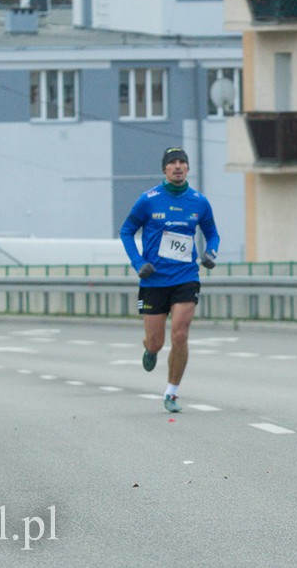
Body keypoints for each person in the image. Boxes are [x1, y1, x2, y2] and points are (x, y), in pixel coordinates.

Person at [119, 147, 220, 413]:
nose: (177, 166)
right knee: (157, 342)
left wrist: (211, 252)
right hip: (154, 280)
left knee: (180, 334)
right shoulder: (148, 200)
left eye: (182, 162)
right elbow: (127, 231)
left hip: (185, 277)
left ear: (187, 168)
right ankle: (150, 350)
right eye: (172, 163)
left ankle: (171, 393)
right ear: (164, 169)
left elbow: (213, 234)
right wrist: (138, 263)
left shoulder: (199, 202)